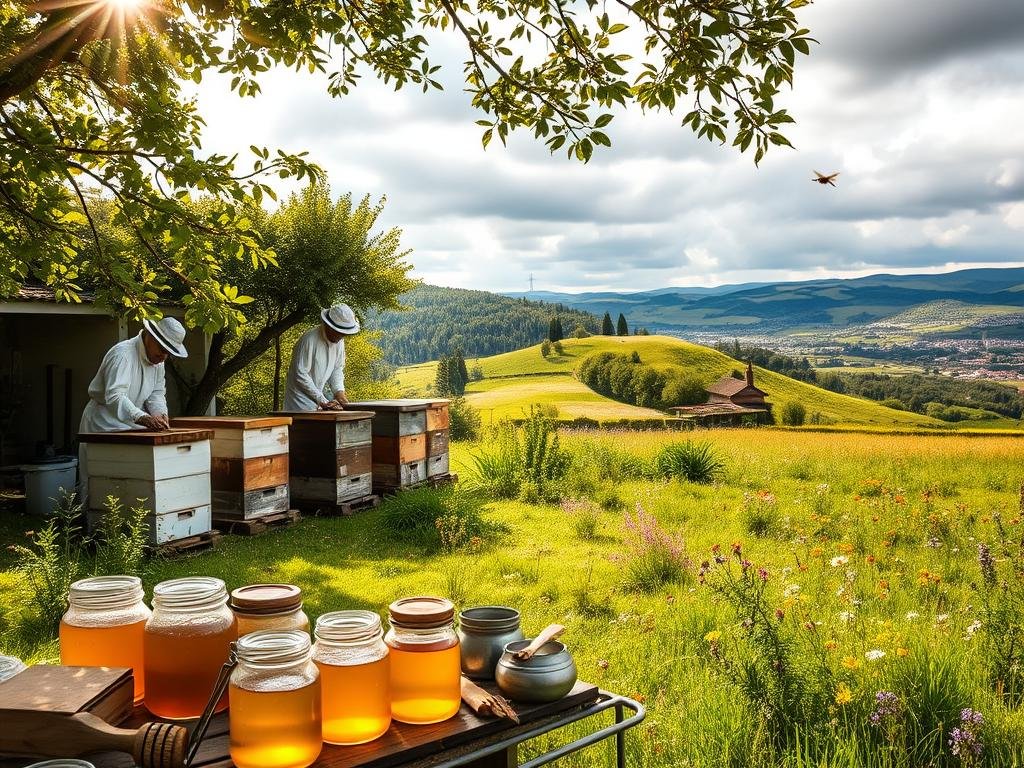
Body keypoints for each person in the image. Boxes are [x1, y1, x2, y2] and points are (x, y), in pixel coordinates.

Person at [78, 317, 189, 504]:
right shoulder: (123, 355)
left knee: (132, 481)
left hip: (131, 422)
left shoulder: (158, 362)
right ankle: (92, 526)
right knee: (99, 481)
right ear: (150, 337)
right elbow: (114, 397)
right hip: (103, 424)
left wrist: (159, 414)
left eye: (169, 353)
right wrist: (143, 418)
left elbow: (156, 393)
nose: (164, 356)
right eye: (163, 350)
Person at [283, 303, 360, 411]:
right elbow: (300, 374)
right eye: (339, 332)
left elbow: (336, 369)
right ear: (328, 326)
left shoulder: (340, 342)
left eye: (344, 333)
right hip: (299, 403)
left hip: (319, 402)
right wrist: (322, 400)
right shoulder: (308, 340)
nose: (341, 336)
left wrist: (340, 393)